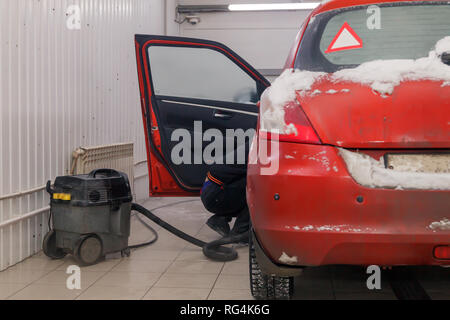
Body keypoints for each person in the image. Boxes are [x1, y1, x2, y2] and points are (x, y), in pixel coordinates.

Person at [200, 142, 250, 240]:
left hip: (212, 191)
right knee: (261, 188)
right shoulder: (259, 150)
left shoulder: (257, 144)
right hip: (214, 193)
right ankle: (239, 233)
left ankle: (221, 218)